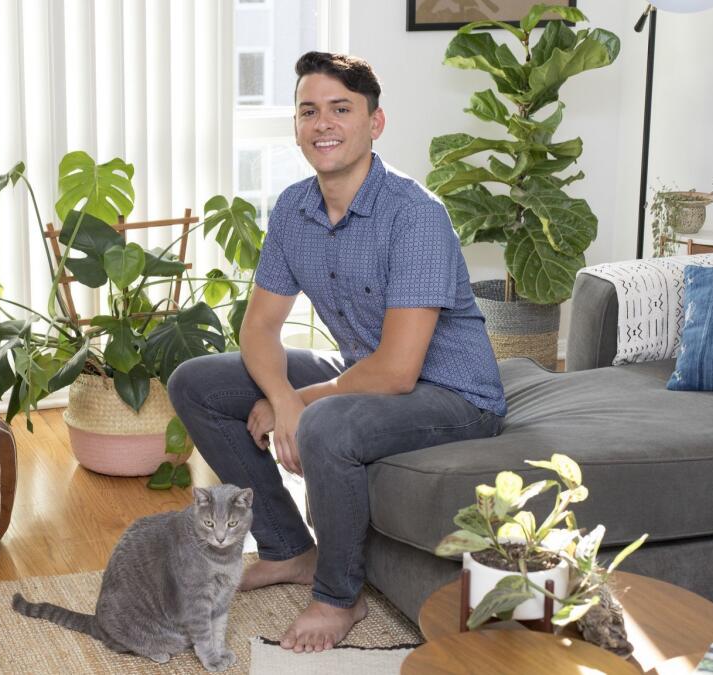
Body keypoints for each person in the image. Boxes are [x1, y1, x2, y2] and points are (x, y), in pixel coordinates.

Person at [167, 51, 506, 653]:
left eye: (341, 109)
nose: (323, 123)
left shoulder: (417, 215)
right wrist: (281, 397)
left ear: (375, 123)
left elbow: (400, 371)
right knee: (198, 381)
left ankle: (337, 596)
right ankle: (288, 548)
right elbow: (259, 328)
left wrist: (300, 402)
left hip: (452, 395)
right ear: (296, 126)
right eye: (308, 111)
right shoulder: (294, 209)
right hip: (362, 376)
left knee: (322, 422)